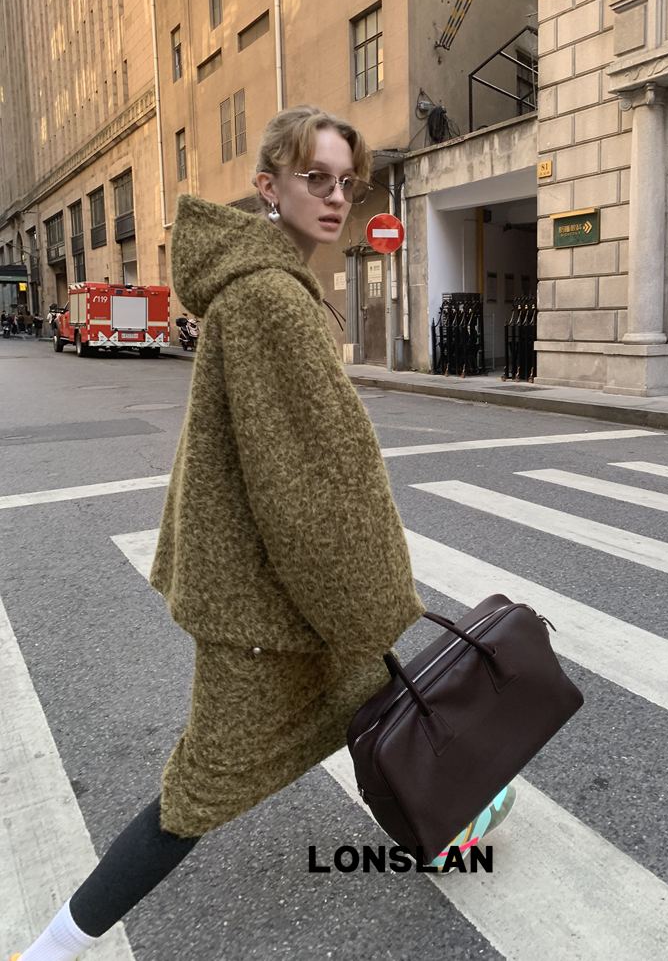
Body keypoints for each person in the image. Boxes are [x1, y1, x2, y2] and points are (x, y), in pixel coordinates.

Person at [10, 105, 514, 961]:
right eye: (315, 178)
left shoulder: (272, 290)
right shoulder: (270, 300)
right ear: (269, 188)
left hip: (277, 595)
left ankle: (456, 818)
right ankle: (52, 947)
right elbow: (307, 488)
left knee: (378, 701)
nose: (337, 196)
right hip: (268, 611)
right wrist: (370, 606)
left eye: (347, 182)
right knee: (198, 792)